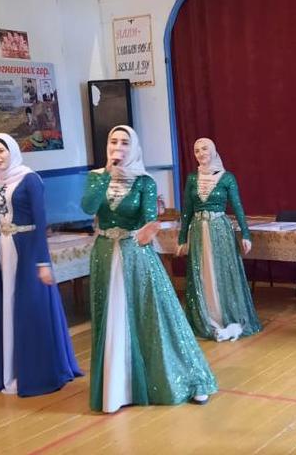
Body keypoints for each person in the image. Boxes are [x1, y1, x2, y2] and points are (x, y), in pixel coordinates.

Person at [81, 125, 217, 413]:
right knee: (111, 317)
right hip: (104, 254)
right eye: (114, 141)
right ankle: (116, 389)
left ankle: (185, 377)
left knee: (154, 316)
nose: (118, 147)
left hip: (136, 255)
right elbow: (88, 207)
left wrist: (149, 228)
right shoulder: (96, 177)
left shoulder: (144, 181)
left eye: (124, 143)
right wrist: (107, 173)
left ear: (134, 148)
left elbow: (148, 218)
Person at [0, 133, 82, 396]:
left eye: (1, 151)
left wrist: (42, 261)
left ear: (12, 151)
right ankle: (8, 370)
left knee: (29, 308)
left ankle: (34, 371)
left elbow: (40, 222)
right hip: (3, 251)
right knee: (7, 307)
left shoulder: (30, 179)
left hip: (27, 250)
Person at [177, 138, 262, 342]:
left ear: (213, 150)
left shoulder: (227, 178)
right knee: (202, 271)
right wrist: (182, 238)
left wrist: (246, 234)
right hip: (198, 231)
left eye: (204, 148)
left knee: (221, 271)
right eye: (197, 150)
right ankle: (206, 317)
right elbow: (187, 210)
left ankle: (226, 317)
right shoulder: (192, 178)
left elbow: (237, 206)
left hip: (220, 230)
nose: (201, 153)